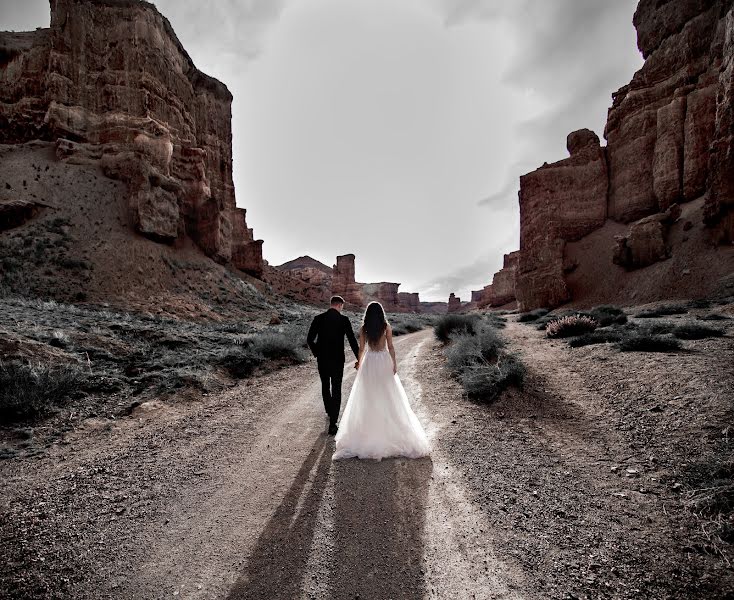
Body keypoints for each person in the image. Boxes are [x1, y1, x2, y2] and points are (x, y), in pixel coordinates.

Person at [333, 301, 431, 460]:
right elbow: (391, 347)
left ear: (368, 314)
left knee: (368, 396)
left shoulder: (364, 328)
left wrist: (359, 363)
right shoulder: (386, 327)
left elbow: (362, 349)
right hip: (383, 361)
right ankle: (387, 431)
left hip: (370, 362)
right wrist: (394, 363)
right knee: (387, 396)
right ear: (381, 313)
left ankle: (368, 432)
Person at [307, 295, 360, 435]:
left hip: (322, 359)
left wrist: (317, 352)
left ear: (331, 304)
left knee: (325, 385)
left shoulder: (318, 318)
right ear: (340, 305)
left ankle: (330, 411)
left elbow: (309, 339)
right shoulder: (344, 320)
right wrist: (359, 358)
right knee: (336, 388)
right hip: (337, 360)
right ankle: (333, 423)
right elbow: (352, 341)